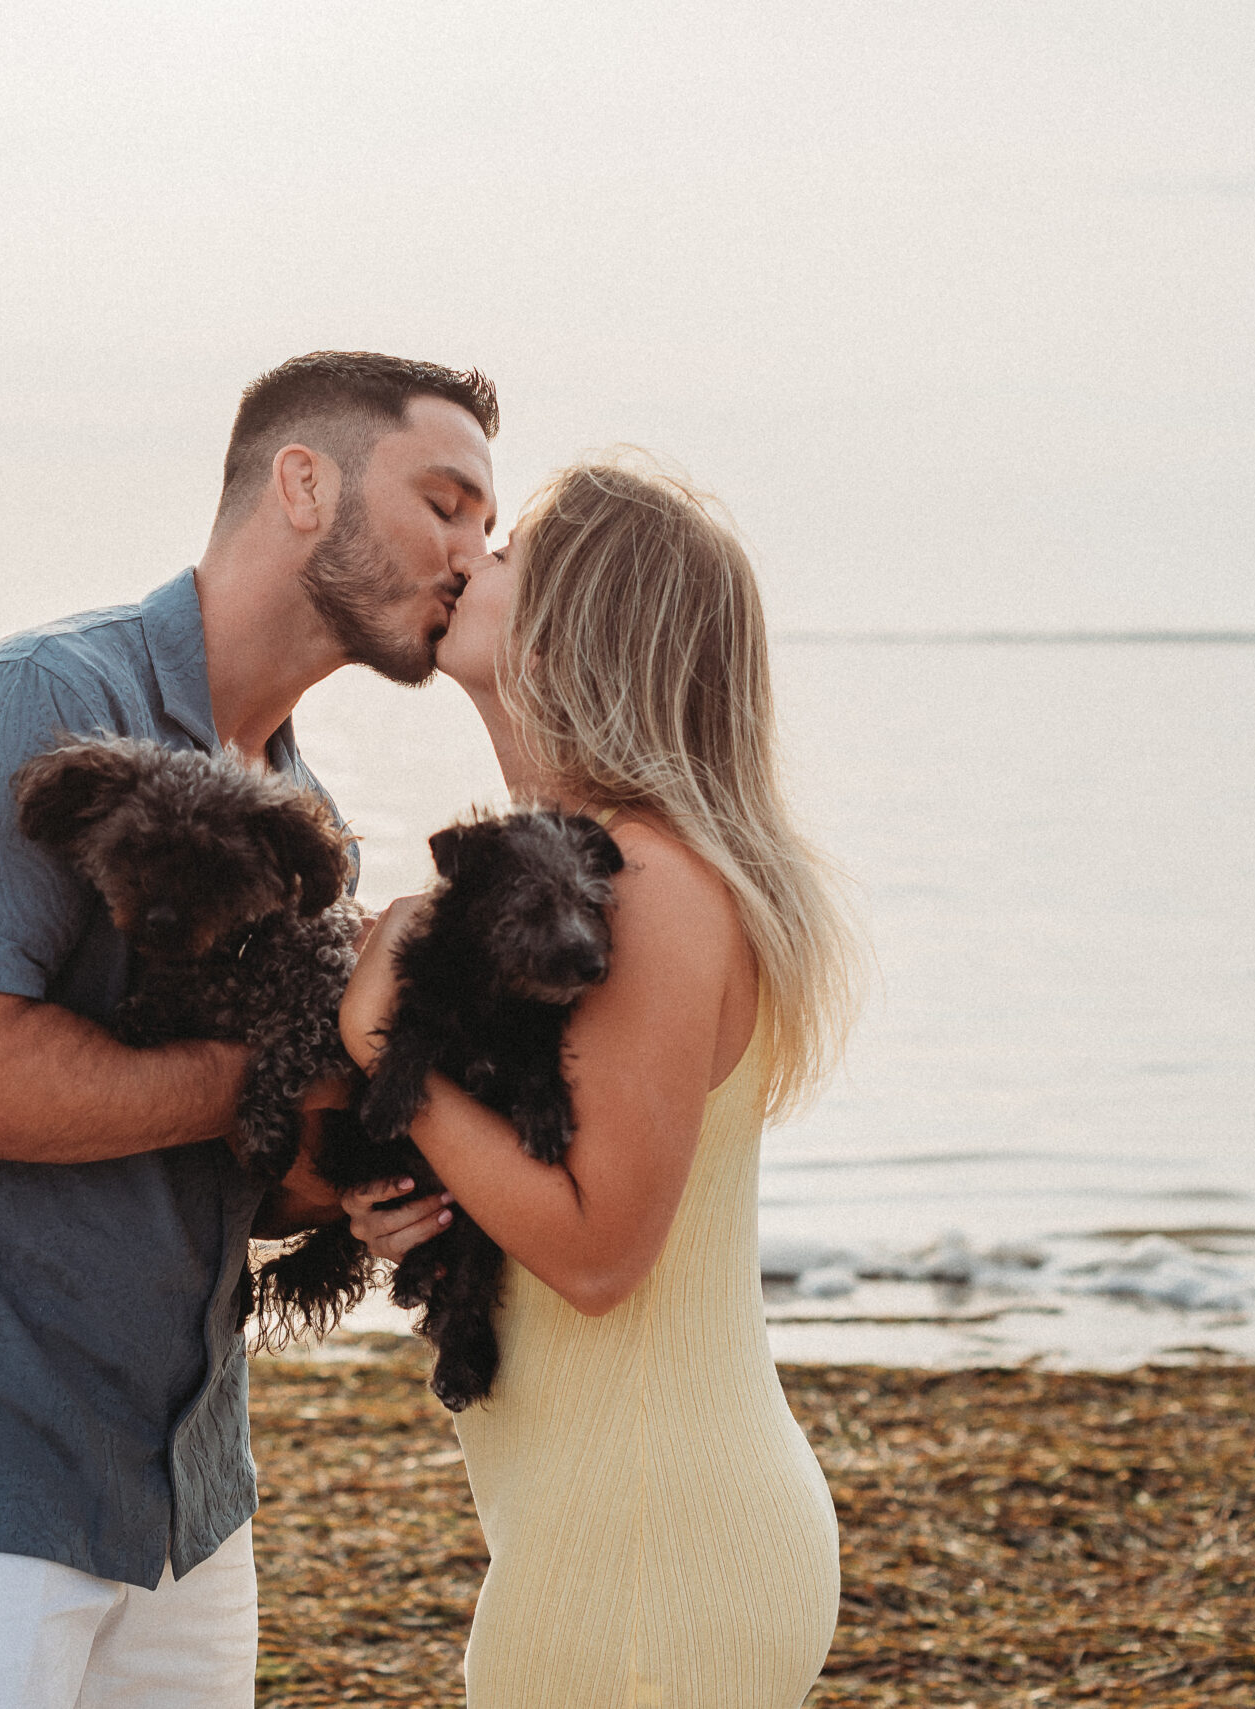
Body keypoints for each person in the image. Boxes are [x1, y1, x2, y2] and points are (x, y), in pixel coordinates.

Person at [0, 351, 500, 1709]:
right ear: (304, 484)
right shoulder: (27, 708)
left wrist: (355, 1182)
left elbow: (238, 1183)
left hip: (183, 1492)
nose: (471, 551)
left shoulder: (302, 808)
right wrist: (272, 1072)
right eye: (445, 501)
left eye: (484, 523)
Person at [337, 461, 859, 1708]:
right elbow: (562, 1191)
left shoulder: (647, 881)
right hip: (623, 1530)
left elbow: (596, 1250)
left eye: (507, 548)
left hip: (647, 1560)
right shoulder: (604, 873)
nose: (469, 561)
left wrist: (383, 1051)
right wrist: (421, 1199)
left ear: (583, 621)